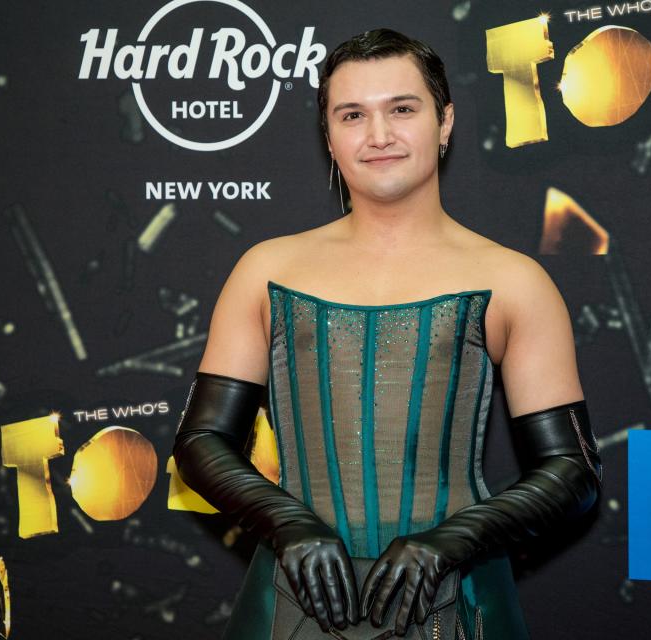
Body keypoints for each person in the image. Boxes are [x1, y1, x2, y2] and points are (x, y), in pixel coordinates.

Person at [172, 28, 602, 640]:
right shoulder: (265, 271)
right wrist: (287, 522)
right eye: (353, 115)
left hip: (462, 600)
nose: (379, 136)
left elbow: (573, 469)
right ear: (329, 134)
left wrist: (451, 541)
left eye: (402, 108)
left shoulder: (514, 281)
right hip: (288, 601)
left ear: (444, 121)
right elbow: (201, 440)